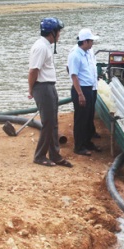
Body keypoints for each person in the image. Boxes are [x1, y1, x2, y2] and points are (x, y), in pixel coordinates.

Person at [28, 17, 72, 168]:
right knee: (47, 123)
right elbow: (33, 70)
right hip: (43, 87)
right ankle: (40, 156)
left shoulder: (46, 46)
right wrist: (31, 89)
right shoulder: (41, 47)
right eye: (58, 31)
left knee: (53, 122)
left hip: (49, 86)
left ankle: (55, 154)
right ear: (52, 32)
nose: (59, 34)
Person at [68, 28, 99, 156]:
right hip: (81, 89)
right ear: (85, 42)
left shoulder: (86, 52)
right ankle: (79, 146)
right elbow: (73, 75)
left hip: (89, 88)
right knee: (81, 119)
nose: (92, 44)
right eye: (91, 41)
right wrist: (80, 94)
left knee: (88, 117)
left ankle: (87, 142)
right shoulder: (75, 54)